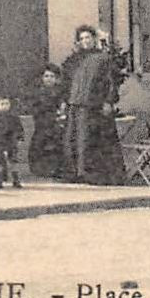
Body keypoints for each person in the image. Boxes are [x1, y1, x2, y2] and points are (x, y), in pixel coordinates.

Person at [59, 25, 126, 185]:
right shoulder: (74, 60)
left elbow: (111, 82)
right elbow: (66, 82)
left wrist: (109, 101)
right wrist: (64, 101)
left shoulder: (103, 58)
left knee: (91, 141)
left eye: (88, 38)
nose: (85, 41)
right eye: (81, 39)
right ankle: (76, 173)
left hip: (94, 106)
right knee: (74, 140)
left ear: (94, 39)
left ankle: (94, 174)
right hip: (75, 105)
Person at [27, 63, 68, 180]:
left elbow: (63, 107)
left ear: (56, 79)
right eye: (46, 76)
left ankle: (56, 168)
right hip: (42, 125)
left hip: (57, 125)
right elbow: (35, 109)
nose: (49, 79)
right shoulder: (38, 93)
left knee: (57, 145)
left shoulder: (61, 93)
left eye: (52, 76)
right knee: (41, 144)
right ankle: (41, 169)